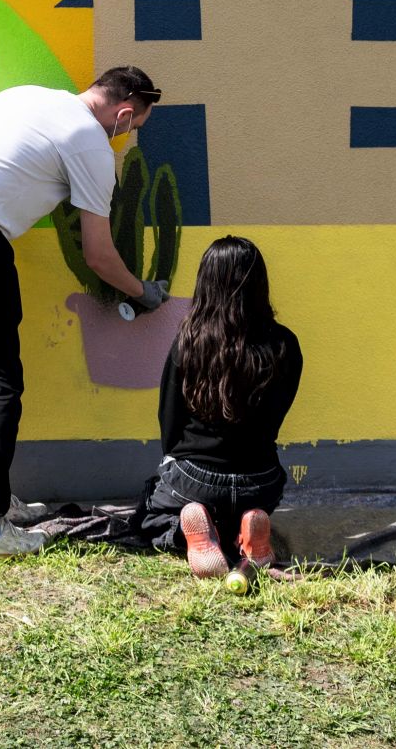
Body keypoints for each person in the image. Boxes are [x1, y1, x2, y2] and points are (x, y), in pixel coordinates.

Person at [0, 66, 170, 561]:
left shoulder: (30, 95)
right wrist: (144, 291)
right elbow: (98, 256)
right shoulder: (89, 140)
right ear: (125, 112)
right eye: (133, 128)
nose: (127, 137)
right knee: (1, 383)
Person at [136, 234, 303, 580]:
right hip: (259, 477)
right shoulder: (285, 343)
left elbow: (169, 420)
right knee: (251, 497)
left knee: (148, 512)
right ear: (260, 283)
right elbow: (276, 417)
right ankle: (248, 527)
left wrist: (177, 461)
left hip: (194, 477)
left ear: (205, 283)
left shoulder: (188, 341)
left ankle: (191, 532)